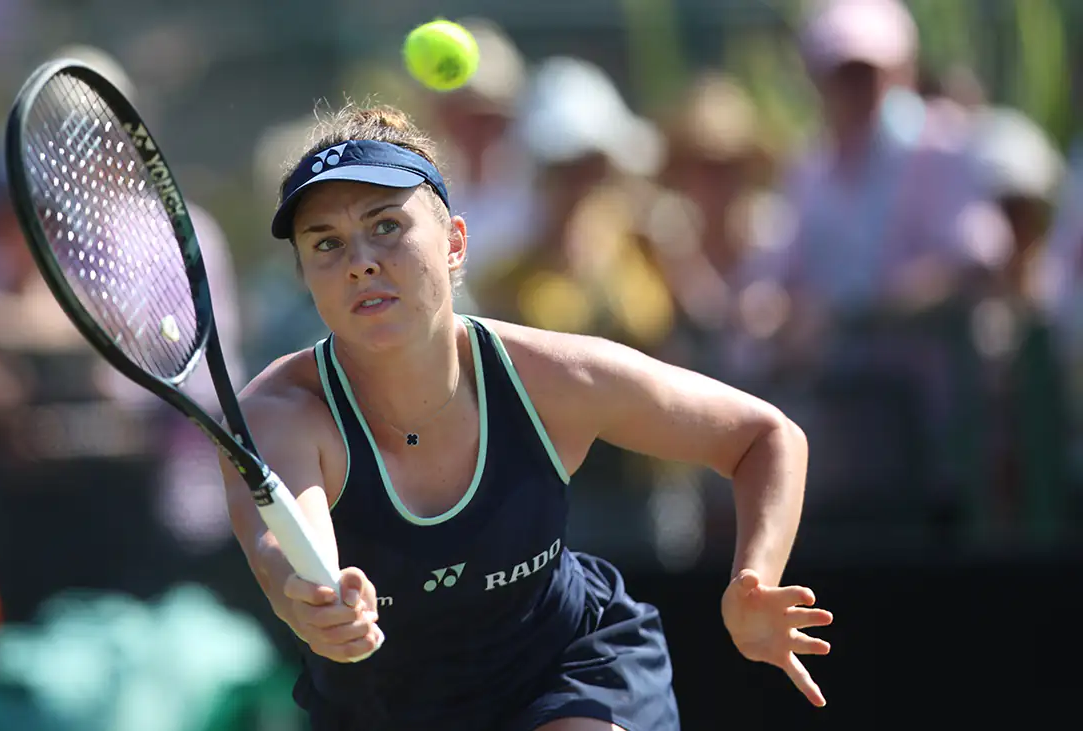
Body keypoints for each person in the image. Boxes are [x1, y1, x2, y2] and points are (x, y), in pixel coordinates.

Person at [219, 103, 833, 731]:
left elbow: (765, 436)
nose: (360, 261)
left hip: (568, 672)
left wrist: (753, 578)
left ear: (455, 243)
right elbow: (288, 551)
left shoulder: (550, 379)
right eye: (326, 243)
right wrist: (319, 608)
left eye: (386, 226)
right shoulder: (278, 414)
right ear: (305, 276)